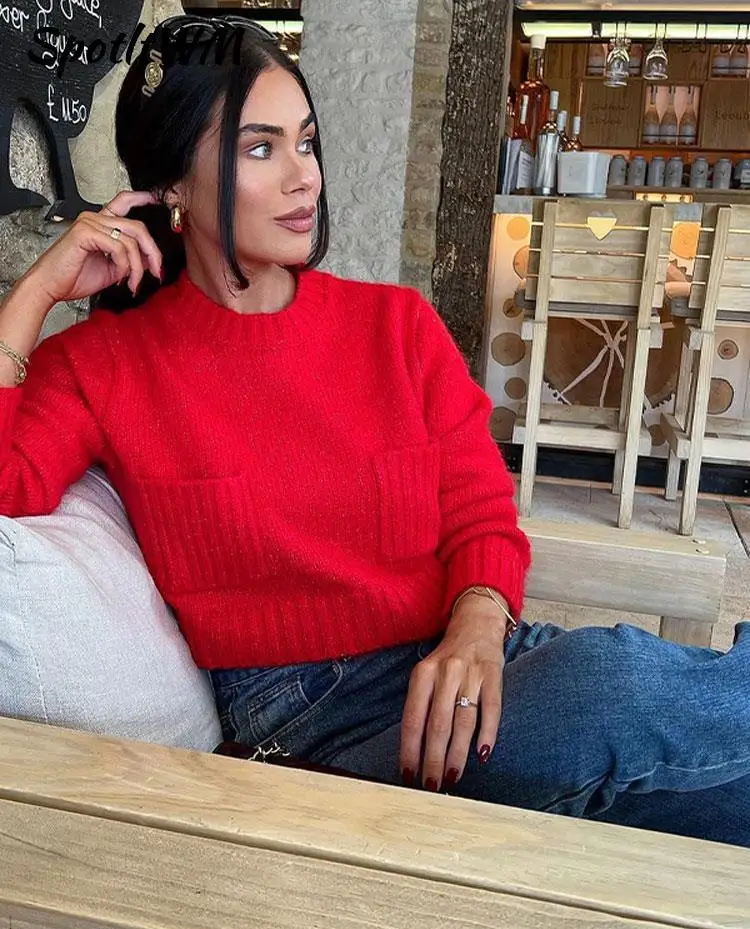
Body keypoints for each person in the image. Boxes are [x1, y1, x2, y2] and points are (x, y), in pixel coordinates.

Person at [0, 15, 748, 848]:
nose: (305, 177)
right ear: (173, 183)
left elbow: (479, 510)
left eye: (306, 142)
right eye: (261, 149)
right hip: (323, 731)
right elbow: (8, 482)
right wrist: (37, 291)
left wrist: (477, 625)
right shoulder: (105, 365)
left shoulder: (396, 326)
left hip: (475, 666)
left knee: (708, 794)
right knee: (618, 681)